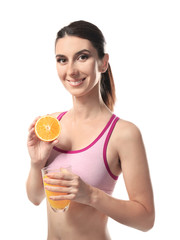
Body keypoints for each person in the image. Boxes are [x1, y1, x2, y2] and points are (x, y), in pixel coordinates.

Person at [26, 20, 155, 240]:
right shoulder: (51, 125)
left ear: (103, 63)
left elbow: (146, 220)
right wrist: (36, 163)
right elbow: (36, 198)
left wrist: (92, 195)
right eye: (62, 60)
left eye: (82, 57)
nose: (71, 70)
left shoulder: (123, 134)